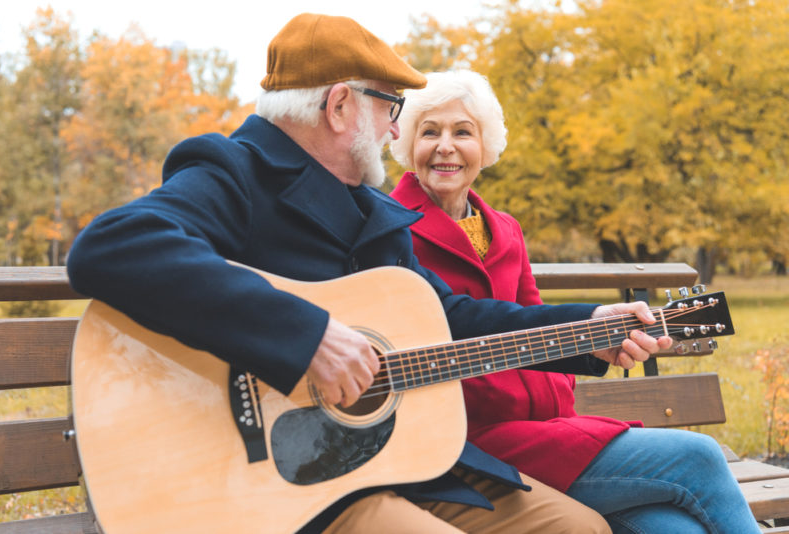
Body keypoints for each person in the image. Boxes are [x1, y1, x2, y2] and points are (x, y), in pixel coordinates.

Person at [66, 14, 670, 534]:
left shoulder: (374, 212)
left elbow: (447, 317)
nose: (393, 130)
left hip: (400, 457)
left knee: (578, 527)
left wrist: (591, 326)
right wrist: (307, 338)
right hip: (278, 484)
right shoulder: (236, 173)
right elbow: (113, 245)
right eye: (391, 107)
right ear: (338, 105)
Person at [389, 69, 760, 534]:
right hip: (471, 444)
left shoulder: (505, 229)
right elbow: (451, 326)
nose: (445, 146)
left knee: (673, 529)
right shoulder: (391, 230)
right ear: (406, 145)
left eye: (462, 132)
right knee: (699, 456)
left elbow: (538, 316)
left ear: (485, 148)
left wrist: (597, 341)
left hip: (552, 427)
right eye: (430, 132)